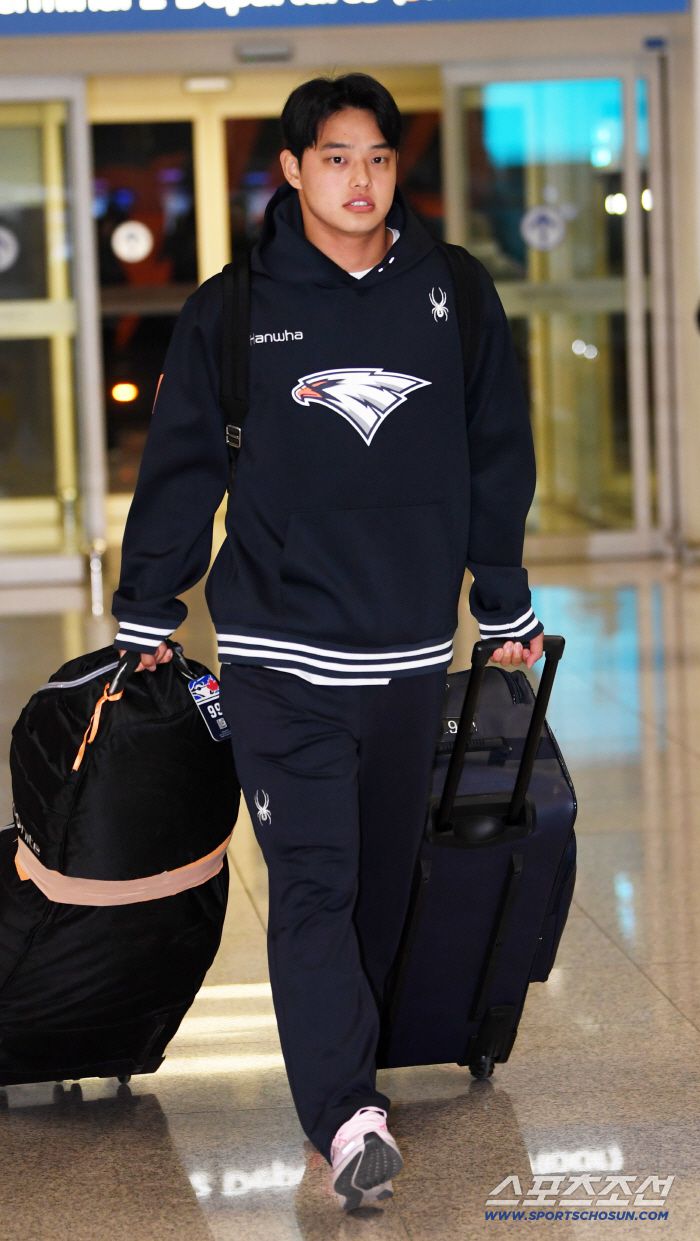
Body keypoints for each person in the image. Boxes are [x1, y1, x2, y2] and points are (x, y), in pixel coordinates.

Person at [113, 72, 544, 1210]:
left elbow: (497, 451)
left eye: (379, 158)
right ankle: (348, 1117)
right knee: (313, 877)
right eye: (338, 157)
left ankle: (348, 1077)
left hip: (405, 650)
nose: (361, 179)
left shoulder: (453, 289)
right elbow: (183, 462)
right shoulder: (236, 306)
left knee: (377, 891)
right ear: (293, 170)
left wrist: (502, 600)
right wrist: (149, 606)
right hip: (278, 650)